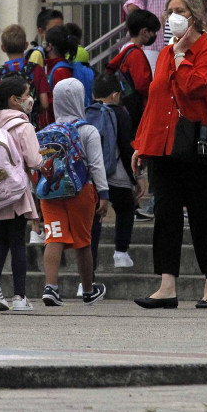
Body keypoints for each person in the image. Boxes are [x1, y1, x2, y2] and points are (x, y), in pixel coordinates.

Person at [132, 0, 207, 310]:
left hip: (200, 147)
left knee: (205, 216)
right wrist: (141, 145)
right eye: (169, 10)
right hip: (164, 146)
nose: (171, 16)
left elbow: (192, 87)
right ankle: (166, 286)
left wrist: (180, 56)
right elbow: (156, 101)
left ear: (195, 16)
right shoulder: (164, 54)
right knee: (166, 214)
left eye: (180, 10)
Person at [39, 79, 109, 307]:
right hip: (81, 192)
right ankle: (88, 290)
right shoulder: (88, 130)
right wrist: (104, 194)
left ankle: (51, 288)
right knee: (83, 241)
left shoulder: (47, 131)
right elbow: (96, 165)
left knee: (54, 236)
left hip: (50, 194)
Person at [0, 74, 42, 312]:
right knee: (17, 243)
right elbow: (34, 160)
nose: (30, 99)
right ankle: (19, 297)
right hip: (15, 193)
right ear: (15, 100)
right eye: (27, 95)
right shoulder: (23, 125)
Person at [89, 73, 140, 269]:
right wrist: (136, 177)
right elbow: (127, 148)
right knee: (126, 208)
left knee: (94, 221)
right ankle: (120, 253)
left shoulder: (89, 113)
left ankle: (89, 270)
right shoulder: (121, 113)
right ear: (115, 95)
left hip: (95, 177)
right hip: (116, 175)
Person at [0, 24, 50, 125]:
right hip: (29, 125)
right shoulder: (36, 69)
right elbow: (45, 103)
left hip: (5, 127)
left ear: (3, 48)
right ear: (26, 45)